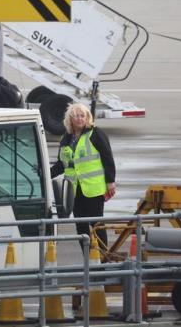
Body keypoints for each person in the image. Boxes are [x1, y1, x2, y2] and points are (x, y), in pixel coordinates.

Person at [50, 103, 116, 251]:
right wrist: (46, 174)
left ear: (87, 118)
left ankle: (102, 259)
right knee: (80, 225)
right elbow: (62, 164)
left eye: (82, 115)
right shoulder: (66, 138)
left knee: (96, 224)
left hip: (93, 188)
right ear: (70, 119)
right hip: (74, 190)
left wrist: (110, 181)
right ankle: (88, 258)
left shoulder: (96, 133)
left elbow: (107, 157)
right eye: (76, 116)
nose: (80, 119)